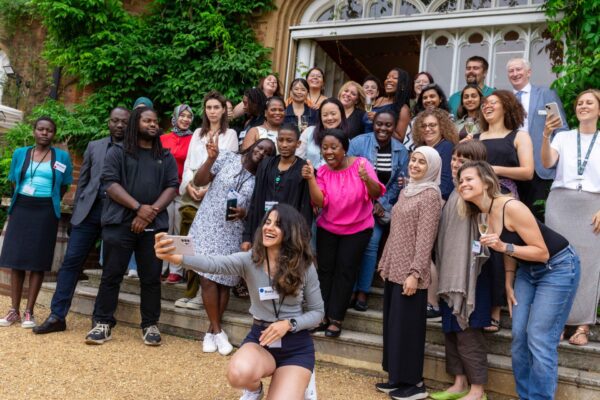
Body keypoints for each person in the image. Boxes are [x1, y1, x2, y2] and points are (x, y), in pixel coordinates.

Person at [154, 204, 325, 400]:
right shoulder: (250, 260)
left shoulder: (304, 265)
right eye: (267, 222)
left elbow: (318, 313)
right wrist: (177, 258)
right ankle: (254, 390)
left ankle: (304, 378)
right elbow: (213, 264)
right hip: (261, 340)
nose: (268, 228)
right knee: (237, 374)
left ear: (290, 232)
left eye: (277, 224)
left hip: (296, 347)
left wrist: (289, 324)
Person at [456, 160, 580, 400]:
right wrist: (508, 280)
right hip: (527, 271)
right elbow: (509, 250)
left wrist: (504, 246)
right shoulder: (482, 213)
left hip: (558, 267)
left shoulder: (511, 206)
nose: (463, 184)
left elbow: (541, 252)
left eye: (469, 179)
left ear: (486, 181)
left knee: (539, 337)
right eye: (460, 181)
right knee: (519, 337)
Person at [84, 107, 179, 346]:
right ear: (136, 123)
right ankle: (102, 323)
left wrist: (149, 212)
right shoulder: (118, 152)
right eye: (147, 120)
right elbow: (110, 184)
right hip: (119, 223)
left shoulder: (164, 156)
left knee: (151, 277)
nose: (153, 124)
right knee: (111, 275)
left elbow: (172, 186)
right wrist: (138, 208)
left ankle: (150, 325)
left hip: (153, 224)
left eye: (155, 121)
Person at [31, 108, 130, 334]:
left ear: (129, 124)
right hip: (88, 212)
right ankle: (57, 315)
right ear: (109, 122)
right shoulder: (94, 146)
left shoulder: (134, 150)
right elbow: (83, 180)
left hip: (116, 214)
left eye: (124, 122)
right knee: (71, 263)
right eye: (115, 121)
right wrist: (77, 214)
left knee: (111, 269)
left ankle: (102, 319)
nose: (119, 125)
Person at [189, 135, 276, 355]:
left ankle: (211, 331)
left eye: (268, 153)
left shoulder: (261, 180)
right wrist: (210, 159)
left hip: (234, 231)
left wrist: (245, 213)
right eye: (261, 147)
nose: (262, 153)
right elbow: (199, 181)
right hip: (208, 224)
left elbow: (259, 211)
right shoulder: (227, 157)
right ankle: (218, 331)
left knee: (224, 281)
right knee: (208, 277)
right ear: (253, 146)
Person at [302, 129, 385, 337]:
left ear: (345, 148)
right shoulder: (321, 171)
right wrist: (311, 179)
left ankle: (336, 318)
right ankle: (320, 316)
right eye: (325, 148)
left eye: (334, 147)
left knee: (345, 272)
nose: (329, 152)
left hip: (357, 228)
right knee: (325, 272)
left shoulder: (362, 165)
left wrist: (366, 179)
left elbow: (376, 194)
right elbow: (320, 202)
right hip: (328, 228)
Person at [376, 146, 442, 400]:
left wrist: (415, 273)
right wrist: (385, 261)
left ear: (432, 167)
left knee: (409, 330)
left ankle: (414, 383)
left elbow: (426, 240)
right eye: (413, 160)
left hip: (411, 274)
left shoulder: (430, 195)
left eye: (421, 162)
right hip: (395, 269)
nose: (414, 165)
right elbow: (395, 231)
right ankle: (397, 377)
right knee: (393, 327)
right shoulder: (407, 190)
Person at [0, 117, 73, 329]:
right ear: (34, 131)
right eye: (40, 129)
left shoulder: (62, 157)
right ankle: (13, 310)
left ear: (53, 134)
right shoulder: (20, 153)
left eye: (49, 130)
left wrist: (49, 201)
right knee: (17, 259)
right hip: (22, 207)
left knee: (38, 261)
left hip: (46, 211)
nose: (44, 133)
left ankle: (29, 311)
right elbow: (15, 180)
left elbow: (64, 185)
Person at [431, 140, 490, 400]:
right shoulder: (454, 191)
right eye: (455, 158)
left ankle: (477, 390)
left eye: (464, 159)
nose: (456, 163)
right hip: (448, 274)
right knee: (451, 330)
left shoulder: (481, 197)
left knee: (469, 334)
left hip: (470, 276)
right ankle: (458, 382)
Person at [542, 89, 600, 346]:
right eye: (579, 103)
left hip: (592, 206)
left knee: (588, 265)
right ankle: (560, 322)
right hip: (560, 204)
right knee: (558, 264)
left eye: (590, 102)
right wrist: (545, 135)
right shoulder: (563, 137)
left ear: (599, 110)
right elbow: (546, 162)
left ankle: (583, 326)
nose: (583, 106)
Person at [474, 90, 534, 332]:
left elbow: (528, 172)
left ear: (506, 107)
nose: (486, 106)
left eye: (492, 103)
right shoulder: (475, 136)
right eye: (484, 104)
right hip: (477, 199)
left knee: (499, 250)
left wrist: (492, 169)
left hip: (504, 198)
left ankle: (496, 308)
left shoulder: (519, 136)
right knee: (478, 249)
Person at [176, 91, 239, 309]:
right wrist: (189, 185)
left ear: (224, 110)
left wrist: (207, 189)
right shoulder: (196, 133)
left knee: (207, 247)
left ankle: (202, 295)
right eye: (209, 107)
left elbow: (227, 167)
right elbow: (187, 165)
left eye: (216, 107)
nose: (212, 111)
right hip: (192, 191)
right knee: (187, 244)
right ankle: (190, 289)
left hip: (214, 194)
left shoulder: (230, 134)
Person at [348, 110, 409, 311]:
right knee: (353, 245)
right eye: (379, 124)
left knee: (371, 244)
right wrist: (366, 200)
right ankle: (351, 288)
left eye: (388, 125)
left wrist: (381, 203)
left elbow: (399, 183)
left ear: (395, 127)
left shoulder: (401, 151)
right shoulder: (357, 143)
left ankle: (363, 291)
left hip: (380, 209)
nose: (383, 129)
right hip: (356, 205)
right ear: (373, 123)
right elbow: (348, 175)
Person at [507, 57, 569, 220]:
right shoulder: (504, 100)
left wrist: (557, 161)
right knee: (511, 216)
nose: (515, 73)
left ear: (528, 72)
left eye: (519, 69)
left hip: (540, 168)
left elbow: (560, 129)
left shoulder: (545, 94)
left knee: (538, 217)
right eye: (511, 71)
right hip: (512, 166)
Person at [242, 124, 312, 250]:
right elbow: (255, 201)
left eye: (289, 141)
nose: (284, 145)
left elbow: (306, 209)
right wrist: (247, 237)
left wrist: (302, 241)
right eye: (281, 140)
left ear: (298, 143)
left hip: (289, 236)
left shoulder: (303, 170)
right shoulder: (266, 165)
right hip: (263, 230)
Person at [160, 104, 194, 284]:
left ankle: (177, 270)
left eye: (189, 116)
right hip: (164, 190)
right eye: (182, 116)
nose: (185, 119)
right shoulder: (163, 139)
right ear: (175, 117)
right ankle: (161, 267)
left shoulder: (194, 139)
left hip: (183, 190)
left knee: (180, 229)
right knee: (164, 227)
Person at [412, 108, 457, 200]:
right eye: (424, 126)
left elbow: (445, 185)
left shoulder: (447, 147)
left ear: (442, 127)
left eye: (432, 125)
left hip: (436, 200)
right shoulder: (419, 148)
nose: (427, 129)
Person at [296, 98, 348, 168]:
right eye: (325, 115)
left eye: (333, 114)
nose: (329, 118)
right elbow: (298, 158)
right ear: (320, 117)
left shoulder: (346, 141)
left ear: (341, 114)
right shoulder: (309, 132)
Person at [362, 68, 411, 140]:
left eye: (394, 78)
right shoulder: (379, 100)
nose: (389, 80)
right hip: (363, 144)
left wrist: (379, 120)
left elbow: (400, 138)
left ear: (403, 85)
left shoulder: (403, 109)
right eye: (387, 78)